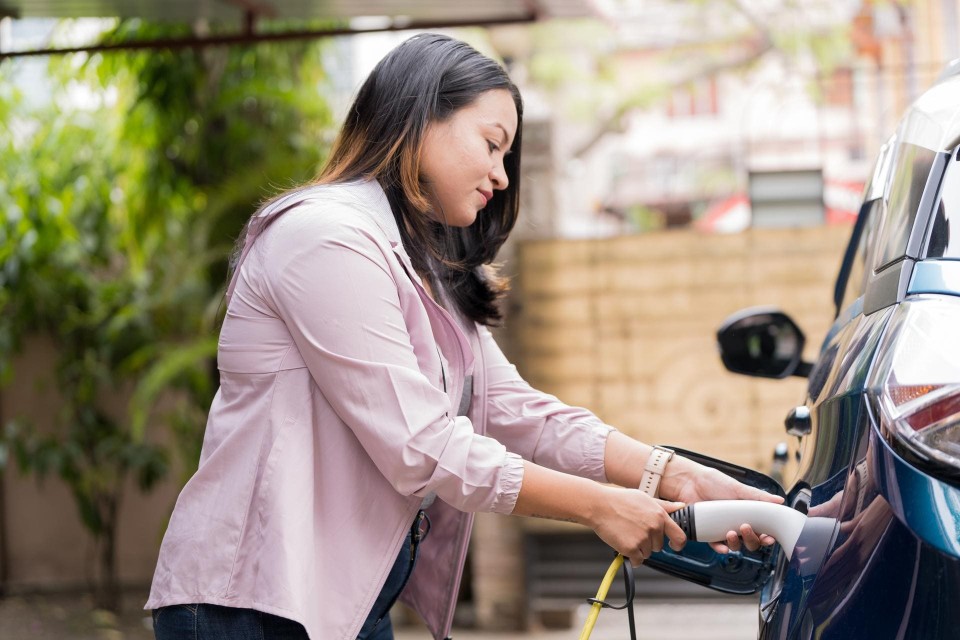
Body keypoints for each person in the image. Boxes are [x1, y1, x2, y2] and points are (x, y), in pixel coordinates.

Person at [146, 33, 782, 640]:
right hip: (248, 605)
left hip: (342, 597)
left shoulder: (422, 264)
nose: (502, 175)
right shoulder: (324, 239)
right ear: (421, 119)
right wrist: (599, 506)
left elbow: (518, 412)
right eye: (491, 143)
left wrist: (674, 475)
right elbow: (422, 445)